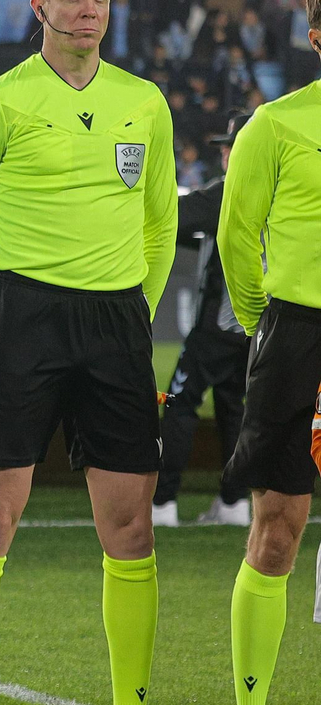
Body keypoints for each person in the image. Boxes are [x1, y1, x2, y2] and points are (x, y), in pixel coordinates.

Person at [0, 0, 182, 705]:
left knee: (132, 527)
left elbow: (158, 226)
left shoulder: (144, 103)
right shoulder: (1, 103)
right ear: (38, 7)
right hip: (27, 316)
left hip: (116, 322)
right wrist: (0, 300)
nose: (87, 12)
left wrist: (134, 311)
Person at [214, 0, 321, 705]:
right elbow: (234, 234)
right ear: (314, 38)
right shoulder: (275, 127)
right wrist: (265, 328)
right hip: (298, 334)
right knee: (277, 531)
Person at [152, 113, 249, 528]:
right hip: (254, 332)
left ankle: (162, 504)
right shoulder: (283, 193)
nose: (224, 153)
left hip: (215, 328)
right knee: (234, 412)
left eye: (229, 145)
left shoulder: (229, 194)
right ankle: (234, 502)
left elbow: (173, 216)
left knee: (178, 404)